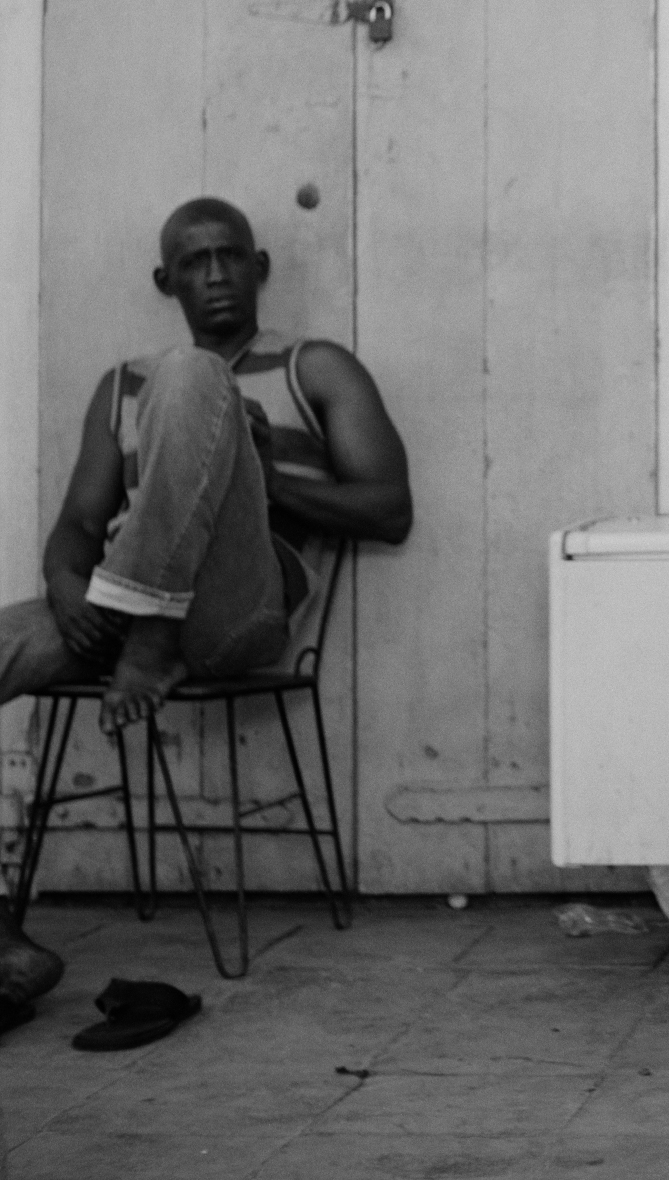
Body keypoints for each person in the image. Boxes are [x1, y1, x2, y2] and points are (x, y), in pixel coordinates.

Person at [0, 198, 412, 1006]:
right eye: (195, 262)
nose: (216, 273)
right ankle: (4, 949)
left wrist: (261, 470)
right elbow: (80, 527)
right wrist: (65, 590)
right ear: (167, 280)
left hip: (234, 611)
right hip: (112, 608)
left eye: (231, 256)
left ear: (259, 268)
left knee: (191, 375)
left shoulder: (313, 367)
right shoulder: (121, 388)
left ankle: (152, 631)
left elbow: (390, 511)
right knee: (177, 381)